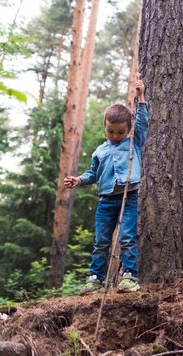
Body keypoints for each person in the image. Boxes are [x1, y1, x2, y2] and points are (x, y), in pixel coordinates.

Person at [64, 80, 149, 295]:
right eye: (111, 131)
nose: (115, 136)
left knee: (127, 237)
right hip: (105, 201)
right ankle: (96, 278)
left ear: (127, 130)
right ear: (105, 128)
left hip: (128, 197)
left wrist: (141, 97)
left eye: (120, 132)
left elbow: (143, 123)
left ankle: (130, 276)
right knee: (101, 240)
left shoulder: (133, 143)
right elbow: (93, 174)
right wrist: (78, 180)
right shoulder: (99, 151)